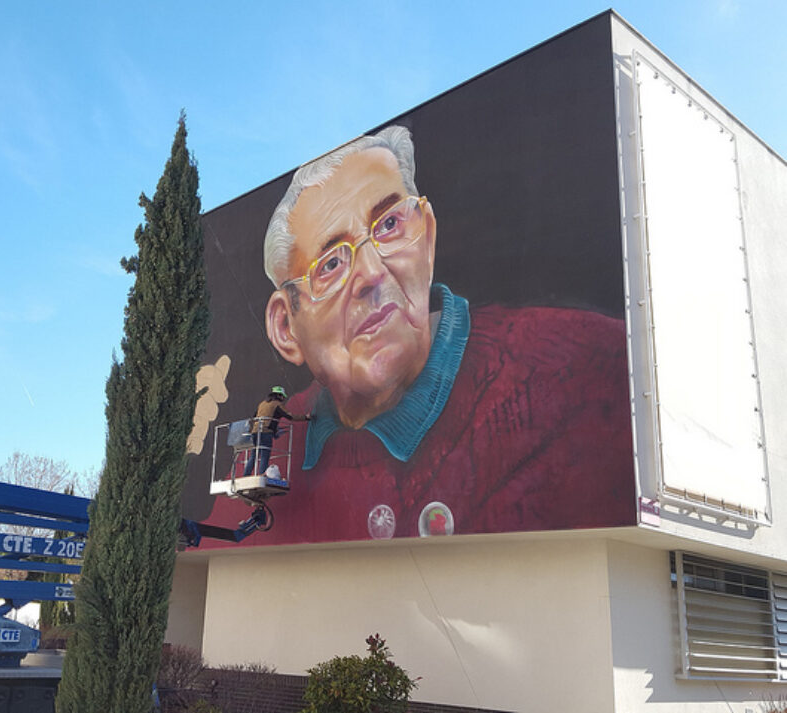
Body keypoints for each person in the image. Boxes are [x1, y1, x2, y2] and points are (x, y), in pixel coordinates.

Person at [211, 125, 635, 543]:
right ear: (286, 328)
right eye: (331, 265)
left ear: (427, 236)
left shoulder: (593, 373)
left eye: (391, 223)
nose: (373, 273)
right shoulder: (269, 459)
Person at [242, 386, 310, 477]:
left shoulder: (262, 404)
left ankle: (246, 475)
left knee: (253, 455)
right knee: (264, 456)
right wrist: (305, 417)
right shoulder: (277, 404)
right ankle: (261, 475)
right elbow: (290, 416)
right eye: (282, 396)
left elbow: (255, 416)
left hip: (255, 432)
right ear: (279, 395)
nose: (283, 399)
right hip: (266, 432)